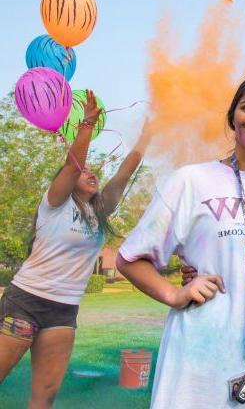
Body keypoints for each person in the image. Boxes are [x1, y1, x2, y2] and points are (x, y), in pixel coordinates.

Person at [116, 73, 245, 408]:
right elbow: (129, 258)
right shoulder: (190, 181)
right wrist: (175, 293)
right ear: (232, 117)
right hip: (198, 360)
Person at [0, 90, 150, 408]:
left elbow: (124, 173)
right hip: (25, 301)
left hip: (63, 310)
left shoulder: (100, 212)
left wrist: (146, 137)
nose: (91, 172)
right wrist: (86, 126)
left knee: (44, 396)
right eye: (85, 171)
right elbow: (72, 166)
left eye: (92, 170)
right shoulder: (54, 204)